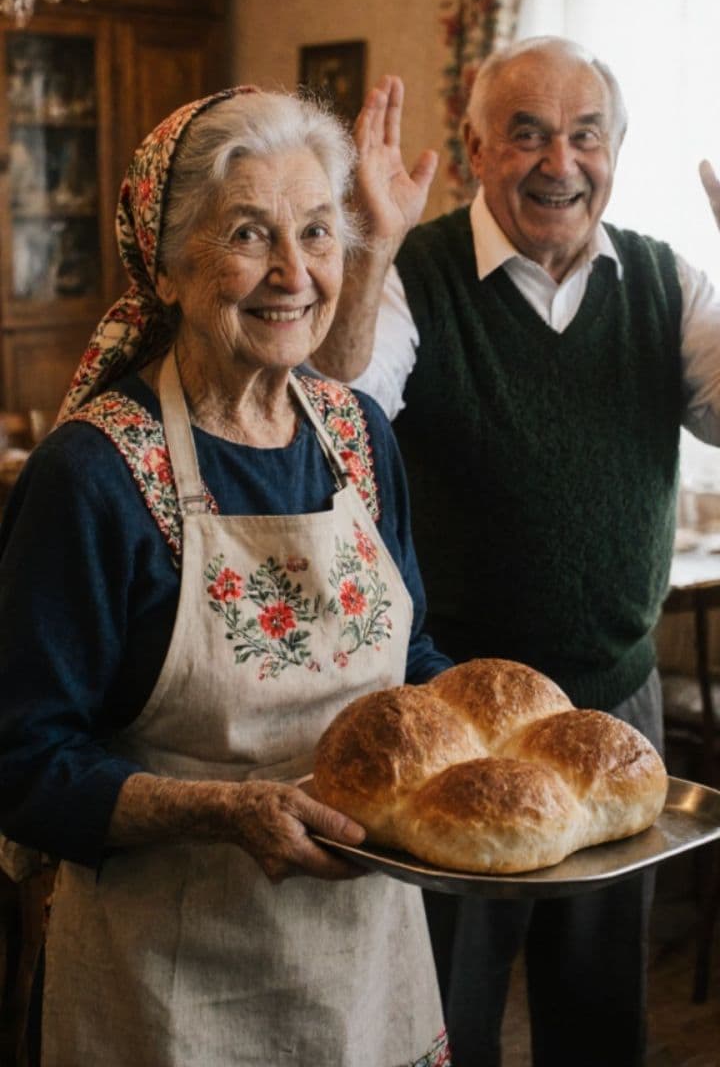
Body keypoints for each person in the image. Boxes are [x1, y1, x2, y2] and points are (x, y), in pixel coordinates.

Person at [0, 86, 454, 1067]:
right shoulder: (93, 474)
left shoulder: (359, 436)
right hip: (170, 993)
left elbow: (409, 653)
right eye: (251, 233)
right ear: (165, 267)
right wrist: (220, 808)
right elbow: (22, 760)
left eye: (320, 231)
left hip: (367, 975)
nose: (295, 272)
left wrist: (502, 730)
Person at [312, 36, 720, 1067]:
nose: (559, 162)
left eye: (586, 135)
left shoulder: (671, 281)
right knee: (446, 1018)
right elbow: (335, 414)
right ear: (477, 146)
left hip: (614, 714)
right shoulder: (416, 275)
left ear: (616, 151)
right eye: (528, 133)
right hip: (451, 716)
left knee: (599, 1017)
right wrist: (366, 247)